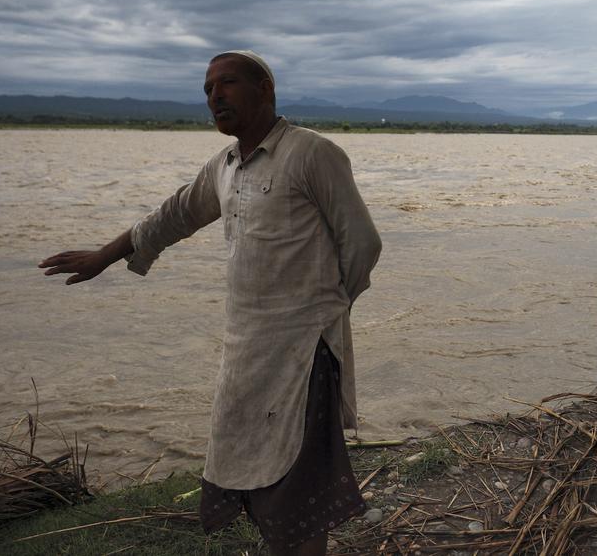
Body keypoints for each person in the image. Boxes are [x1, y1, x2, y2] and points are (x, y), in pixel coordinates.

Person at [39, 50, 382, 556]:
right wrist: (104, 256)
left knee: (298, 480)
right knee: (255, 470)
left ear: (264, 87)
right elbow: (172, 215)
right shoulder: (223, 167)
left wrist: (325, 312)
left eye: (227, 83)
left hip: (304, 354)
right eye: (207, 89)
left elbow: (362, 244)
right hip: (245, 352)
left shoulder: (311, 154)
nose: (215, 96)